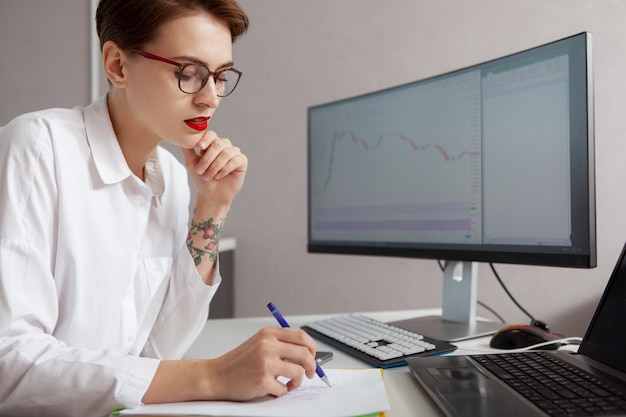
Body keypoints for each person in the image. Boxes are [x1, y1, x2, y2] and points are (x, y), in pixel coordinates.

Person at [0, 1, 319, 416]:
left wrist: (213, 205)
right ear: (117, 66)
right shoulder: (38, 147)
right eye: (189, 74)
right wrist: (215, 375)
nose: (211, 99)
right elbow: (9, 361)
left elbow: (157, 348)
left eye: (221, 77)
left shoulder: (169, 178)